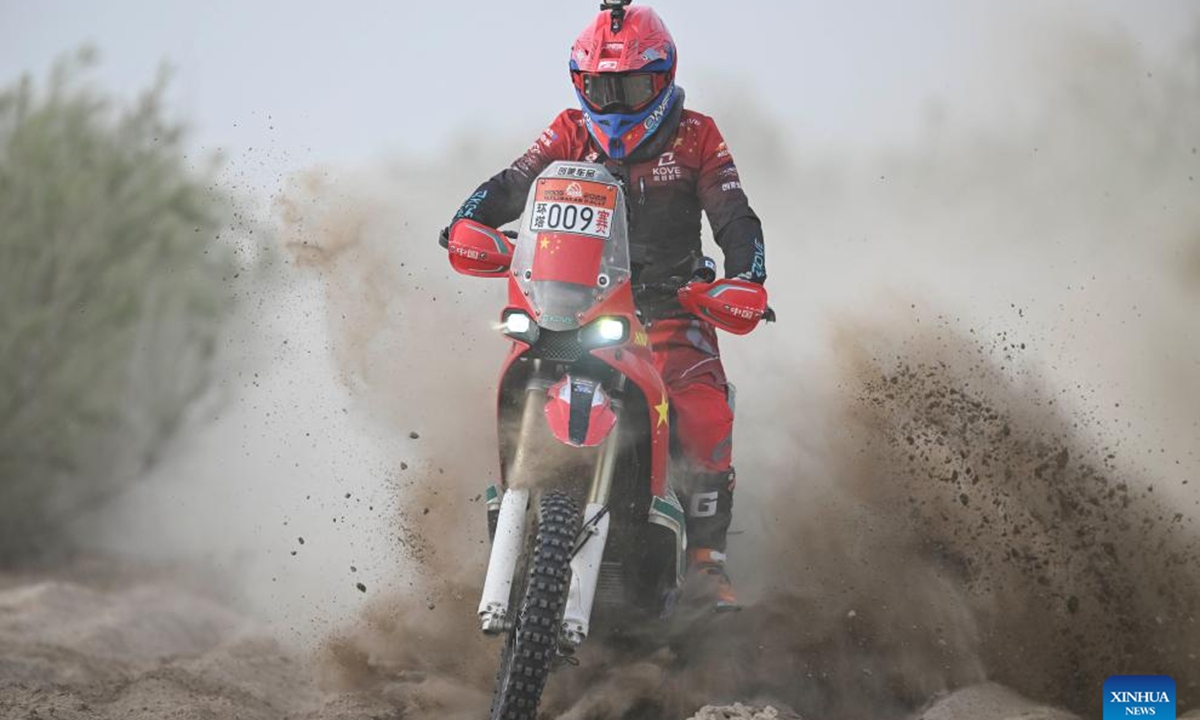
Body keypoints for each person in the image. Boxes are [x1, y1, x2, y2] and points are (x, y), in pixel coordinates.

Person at [440, 2, 765, 612]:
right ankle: (510, 521)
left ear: (664, 79)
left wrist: (746, 275)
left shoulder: (699, 136)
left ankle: (705, 564)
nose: (615, 105)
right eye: (601, 88)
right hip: (573, 303)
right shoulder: (568, 130)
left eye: (632, 87)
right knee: (505, 375)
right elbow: (513, 182)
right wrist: (468, 220)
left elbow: (734, 214)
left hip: (671, 310)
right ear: (580, 84)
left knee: (704, 411)